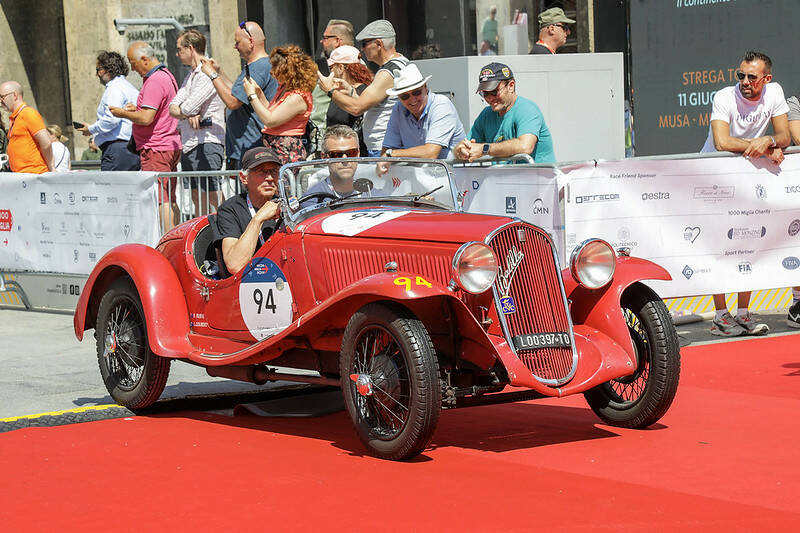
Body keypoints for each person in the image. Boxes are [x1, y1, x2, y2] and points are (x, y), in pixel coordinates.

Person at [700, 51, 789, 336]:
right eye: (741, 75)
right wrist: (763, 144)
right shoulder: (724, 96)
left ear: (767, 78)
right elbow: (722, 141)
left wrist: (771, 139)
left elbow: (785, 136)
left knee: (748, 241)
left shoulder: (774, 92)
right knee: (720, 245)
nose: (745, 81)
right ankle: (720, 315)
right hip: (714, 174)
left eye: (752, 77)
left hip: (746, 174)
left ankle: (743, 313)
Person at [111, 42, 182, 231]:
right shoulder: (166, 76)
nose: (133, 68)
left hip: (156, 147)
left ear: (144, 59)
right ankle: (174, 238)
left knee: (161, 200)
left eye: (133, 63)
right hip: (168, 144)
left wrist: (122, 113)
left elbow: (146, 118)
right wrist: (137, 109)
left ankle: (168, 244)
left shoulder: (155, 80)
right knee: (169, 198)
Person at [318, 19, 409, 157]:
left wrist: (329, 91)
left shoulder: (389, 72)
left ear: (378, 44)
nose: (362, 49)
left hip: (382, 148)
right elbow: (368, 104)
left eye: (365, 44)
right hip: (382, 146)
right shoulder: (398, 64)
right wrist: (350, 91)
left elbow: (357, 108)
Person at [200, 21, 278, 169]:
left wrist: (212, 75)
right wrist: (220, 72)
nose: (235, 47)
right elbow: (236, 93)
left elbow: (232, 102)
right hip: (244, 149)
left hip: (252, 149)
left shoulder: (259, 67)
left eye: (237, 42)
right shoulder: (256, 66)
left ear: (251, 41)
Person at [169, 29, 226, 216]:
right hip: (190, 143)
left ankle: (229, 232)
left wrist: (185, 111)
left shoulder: (206, 72)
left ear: (191, 48)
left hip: (207, 141)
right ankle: (201, 236)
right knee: (196, 196)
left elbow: (186, 107)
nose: (177, 54)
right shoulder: (190, 75)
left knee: (213, 195)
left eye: (179, 49)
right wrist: (186, 113)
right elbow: (174, 106)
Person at [454, 62, 556, 163]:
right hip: (507, 178)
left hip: (537, 177)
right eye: (485, 93)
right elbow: (463, 146)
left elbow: (525, 146)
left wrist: (484, 149)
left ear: (511, 86)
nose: (490, 98)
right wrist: (461, 151)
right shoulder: (486, 114)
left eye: (494, 92)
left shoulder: (527, 109)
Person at [214, 146, 282, 274]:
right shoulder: (230, 209)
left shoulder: (286, 205)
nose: (270, 178)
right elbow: (235, 265)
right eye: (261, 172)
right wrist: (258, 219)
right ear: (244, 178)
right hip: (249, 281)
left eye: (274, 171)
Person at [243, 44, 316, 164]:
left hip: (286, 152)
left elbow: (270, 120)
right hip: (274, 149)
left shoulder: (298, 97)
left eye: (275, 68)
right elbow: (273, 114)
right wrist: (260, 95)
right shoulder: (284, 89)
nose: (271, 72)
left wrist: (252, 96)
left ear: (288, 70)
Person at [380, 64, 465, 161]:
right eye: (405, 96)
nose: (412, 99)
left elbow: (430, 154)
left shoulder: (441, 105)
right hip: (423, 172)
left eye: (416, 92)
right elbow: (386, 150)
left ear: (425, 87)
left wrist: (392, 154)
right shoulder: (399, 108)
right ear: (399, 97)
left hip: (454, 174)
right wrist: (389, 154)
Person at [76, 51, 140, 171]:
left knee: (112, 189)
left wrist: (91, 129)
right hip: (130, 148)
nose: (97, 74)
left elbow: (112, 120)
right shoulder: (129, 87)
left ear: (109, 69)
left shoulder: (114, 88)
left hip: (117, 150)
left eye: (98, 69)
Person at [311, 19, 356, 139]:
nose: (321, 41)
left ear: (337, 40)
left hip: (342, 140)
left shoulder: (354, 69)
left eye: (325, 38)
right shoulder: (321, 65)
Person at [325, 45, 372, 154]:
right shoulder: (339, 92)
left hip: (353, 158)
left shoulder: (364, 93)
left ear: (341, 68)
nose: (329, 72)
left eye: (331, 68)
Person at [0, 80, 54, 173]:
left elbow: (46, 143)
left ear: (15, 95)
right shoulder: (16, 117)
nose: (0, 101)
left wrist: (51, 167)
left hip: (33, 174)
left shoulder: (28, 113)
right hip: (21, 175)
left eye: (2, 97)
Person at [305, 124, 362, 200]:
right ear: (324, 157)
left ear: (358, 154)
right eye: (336, 154)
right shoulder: (311, 201)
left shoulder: (374, 195)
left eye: (351, 153)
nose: (345, 159)